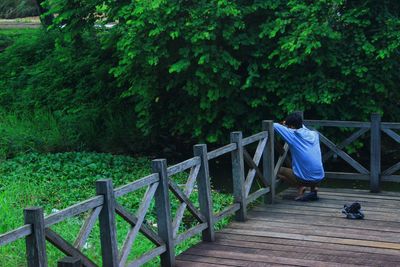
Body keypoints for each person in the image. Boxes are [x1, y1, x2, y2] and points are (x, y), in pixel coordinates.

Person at [274, 112, 324, 201]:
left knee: (277, 170)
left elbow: (274, 125)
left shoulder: (293, 136)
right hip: (320, 178)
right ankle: (314, 188)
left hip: (305, 179)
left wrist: (284, 123)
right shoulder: (314, 134)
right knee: (307, 168)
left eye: (289, 127)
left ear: (292, 127)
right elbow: (301, 127)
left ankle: (300, 186)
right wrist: (289, 123)